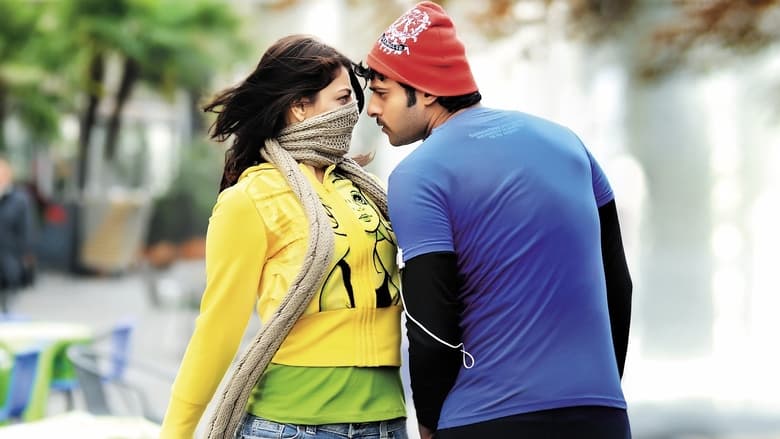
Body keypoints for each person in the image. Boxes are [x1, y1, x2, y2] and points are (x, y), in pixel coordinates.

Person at [357, 2, 633, 438]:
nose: (371, 109)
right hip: (600, 415)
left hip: (485, 418)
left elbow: (432, 327)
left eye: (381, 92)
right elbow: (618, 282)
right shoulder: (568, 143)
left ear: (426, 92)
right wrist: (601, 390)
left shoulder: (418, 174)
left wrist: (427, 421)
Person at [160, 35, 408, 439]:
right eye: (343, 98)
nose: (355, 112)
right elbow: (218, 328)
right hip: (289, 425)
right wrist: (176, 432)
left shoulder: (367, 190)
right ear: (299, 106)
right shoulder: (249, 199)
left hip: (386, 422)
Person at [0, 156, 36, 313]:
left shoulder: (19, 200)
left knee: (7, 309)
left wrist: (25, 257)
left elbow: (26, 231)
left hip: (9, 262)